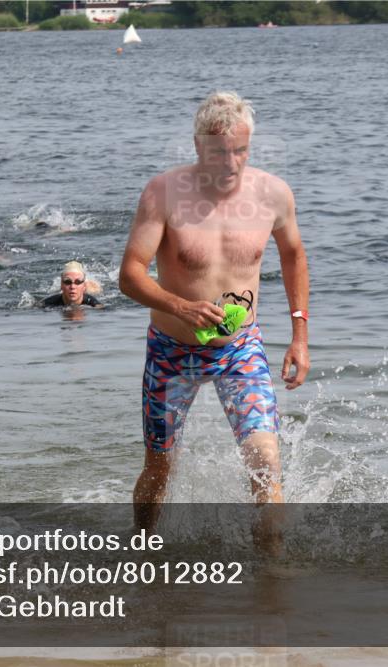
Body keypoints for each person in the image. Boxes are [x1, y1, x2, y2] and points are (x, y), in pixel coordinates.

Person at [119, 91, 310, 532]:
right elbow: (130, 275)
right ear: (197, 146)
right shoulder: (163, 193)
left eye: (240, 151)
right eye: (219, 152)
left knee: (266, 462)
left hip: (239, 350)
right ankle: (141, 551)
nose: (231, 163)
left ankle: (272, 580)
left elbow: (294, 255)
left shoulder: (273, 194)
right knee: (160, 467)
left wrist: (299, 336)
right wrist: (180, 306)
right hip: (171, 352)